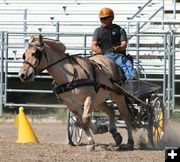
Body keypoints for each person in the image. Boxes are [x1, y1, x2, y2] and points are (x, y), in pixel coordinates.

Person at [91, 7, 137, 81]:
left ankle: (132, 82)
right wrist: (96, 49)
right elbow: (93, 45)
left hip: (117, 56)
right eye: (101, 19)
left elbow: (124, 44)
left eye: (105, 18)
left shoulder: (120, 30)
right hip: (102, 56)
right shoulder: (98, 31)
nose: (103, 20)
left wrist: (118, 48)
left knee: (127, 65)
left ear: (112, 18)